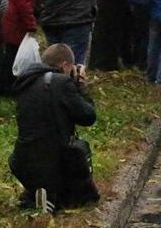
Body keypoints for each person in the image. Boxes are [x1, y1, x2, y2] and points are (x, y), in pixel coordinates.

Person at [9, 44, 98, 214]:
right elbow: (88, 117)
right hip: (54, 160)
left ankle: (36, 192)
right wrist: (80, 86)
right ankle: (53, 196)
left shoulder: (25, 82)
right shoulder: (62, 82)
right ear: (65, 65)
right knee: (80, 148)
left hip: (20, 160)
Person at [0, 0, 41, 95]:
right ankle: (9, 87)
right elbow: (25, 4)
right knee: (16, 55)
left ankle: (3, 85)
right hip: (17, 22)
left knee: (9, 53)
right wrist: (31, 25)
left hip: (6, 18)